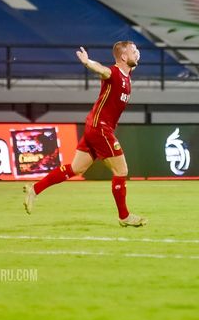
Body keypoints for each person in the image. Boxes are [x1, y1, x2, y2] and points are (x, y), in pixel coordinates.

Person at [23, 42, 147, 227]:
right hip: (100, 128)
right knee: (121, 171)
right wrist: (87, 62)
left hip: (94, 127)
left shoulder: (127, 77)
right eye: (133, 51)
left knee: (76, 169)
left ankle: (35, 189)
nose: (138, 53)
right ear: (123, 57)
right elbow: (102, 69)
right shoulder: (113, 73)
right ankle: (124, 216)